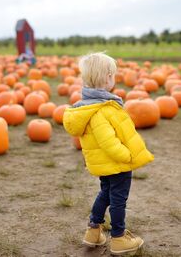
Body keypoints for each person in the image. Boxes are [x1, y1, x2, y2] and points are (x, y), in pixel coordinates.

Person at [63, 52, 154, 255]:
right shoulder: (101, 109)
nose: (114, 78)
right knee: (118, 199)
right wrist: (126, 156)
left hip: (105, 164)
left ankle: (93, 231)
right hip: (117, 163)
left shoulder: (90, 105)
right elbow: (108, 142)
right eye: (113, 75)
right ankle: (119, 238)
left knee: (105, 194)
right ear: (106, 78)